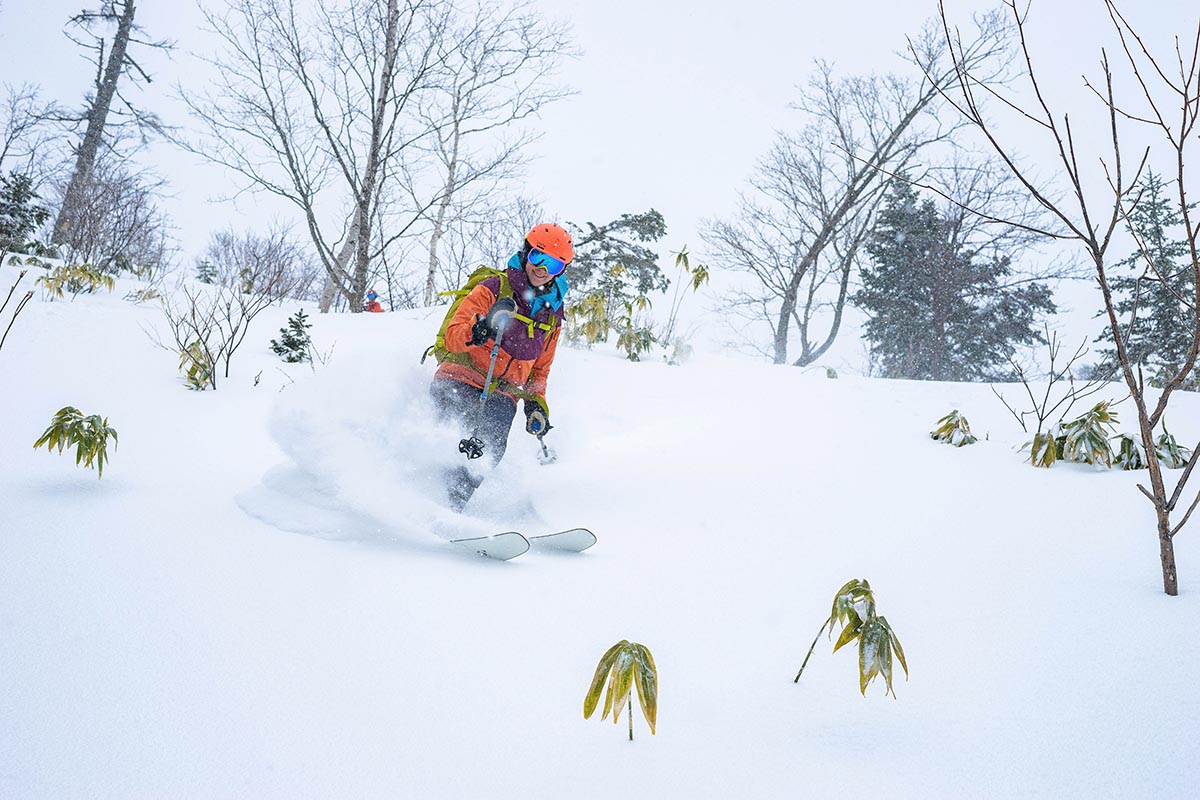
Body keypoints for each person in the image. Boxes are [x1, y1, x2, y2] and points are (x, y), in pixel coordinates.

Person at [430, 223, 572, 510]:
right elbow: (452, 336)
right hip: (460, 377)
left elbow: (540, 371)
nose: (542, 269)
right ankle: (428, 499)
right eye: (537, 257)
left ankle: (451, 507)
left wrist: (536, 404)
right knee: (451, 441)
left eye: (554, 265)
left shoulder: (551, 316)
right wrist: (480, 329)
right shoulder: (492, 289)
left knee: (489, 450)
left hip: (502, 394)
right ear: (525, 253)